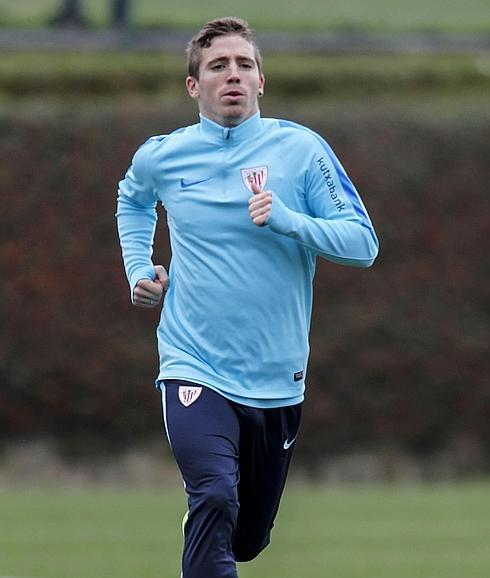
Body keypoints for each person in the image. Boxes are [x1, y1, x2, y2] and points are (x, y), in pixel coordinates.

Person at [116, 16, 379, 578]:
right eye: (218, 66)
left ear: (262, 80)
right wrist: (140, 266)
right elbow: (132, 199)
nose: (232, 75)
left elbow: (363, 245)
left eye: (244, 65)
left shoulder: (302, 151)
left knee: (245, 539)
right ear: (195, 86)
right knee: (212, 495)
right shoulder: (163, 155)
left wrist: (288, 220)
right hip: (193, 364)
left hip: (275, 377)